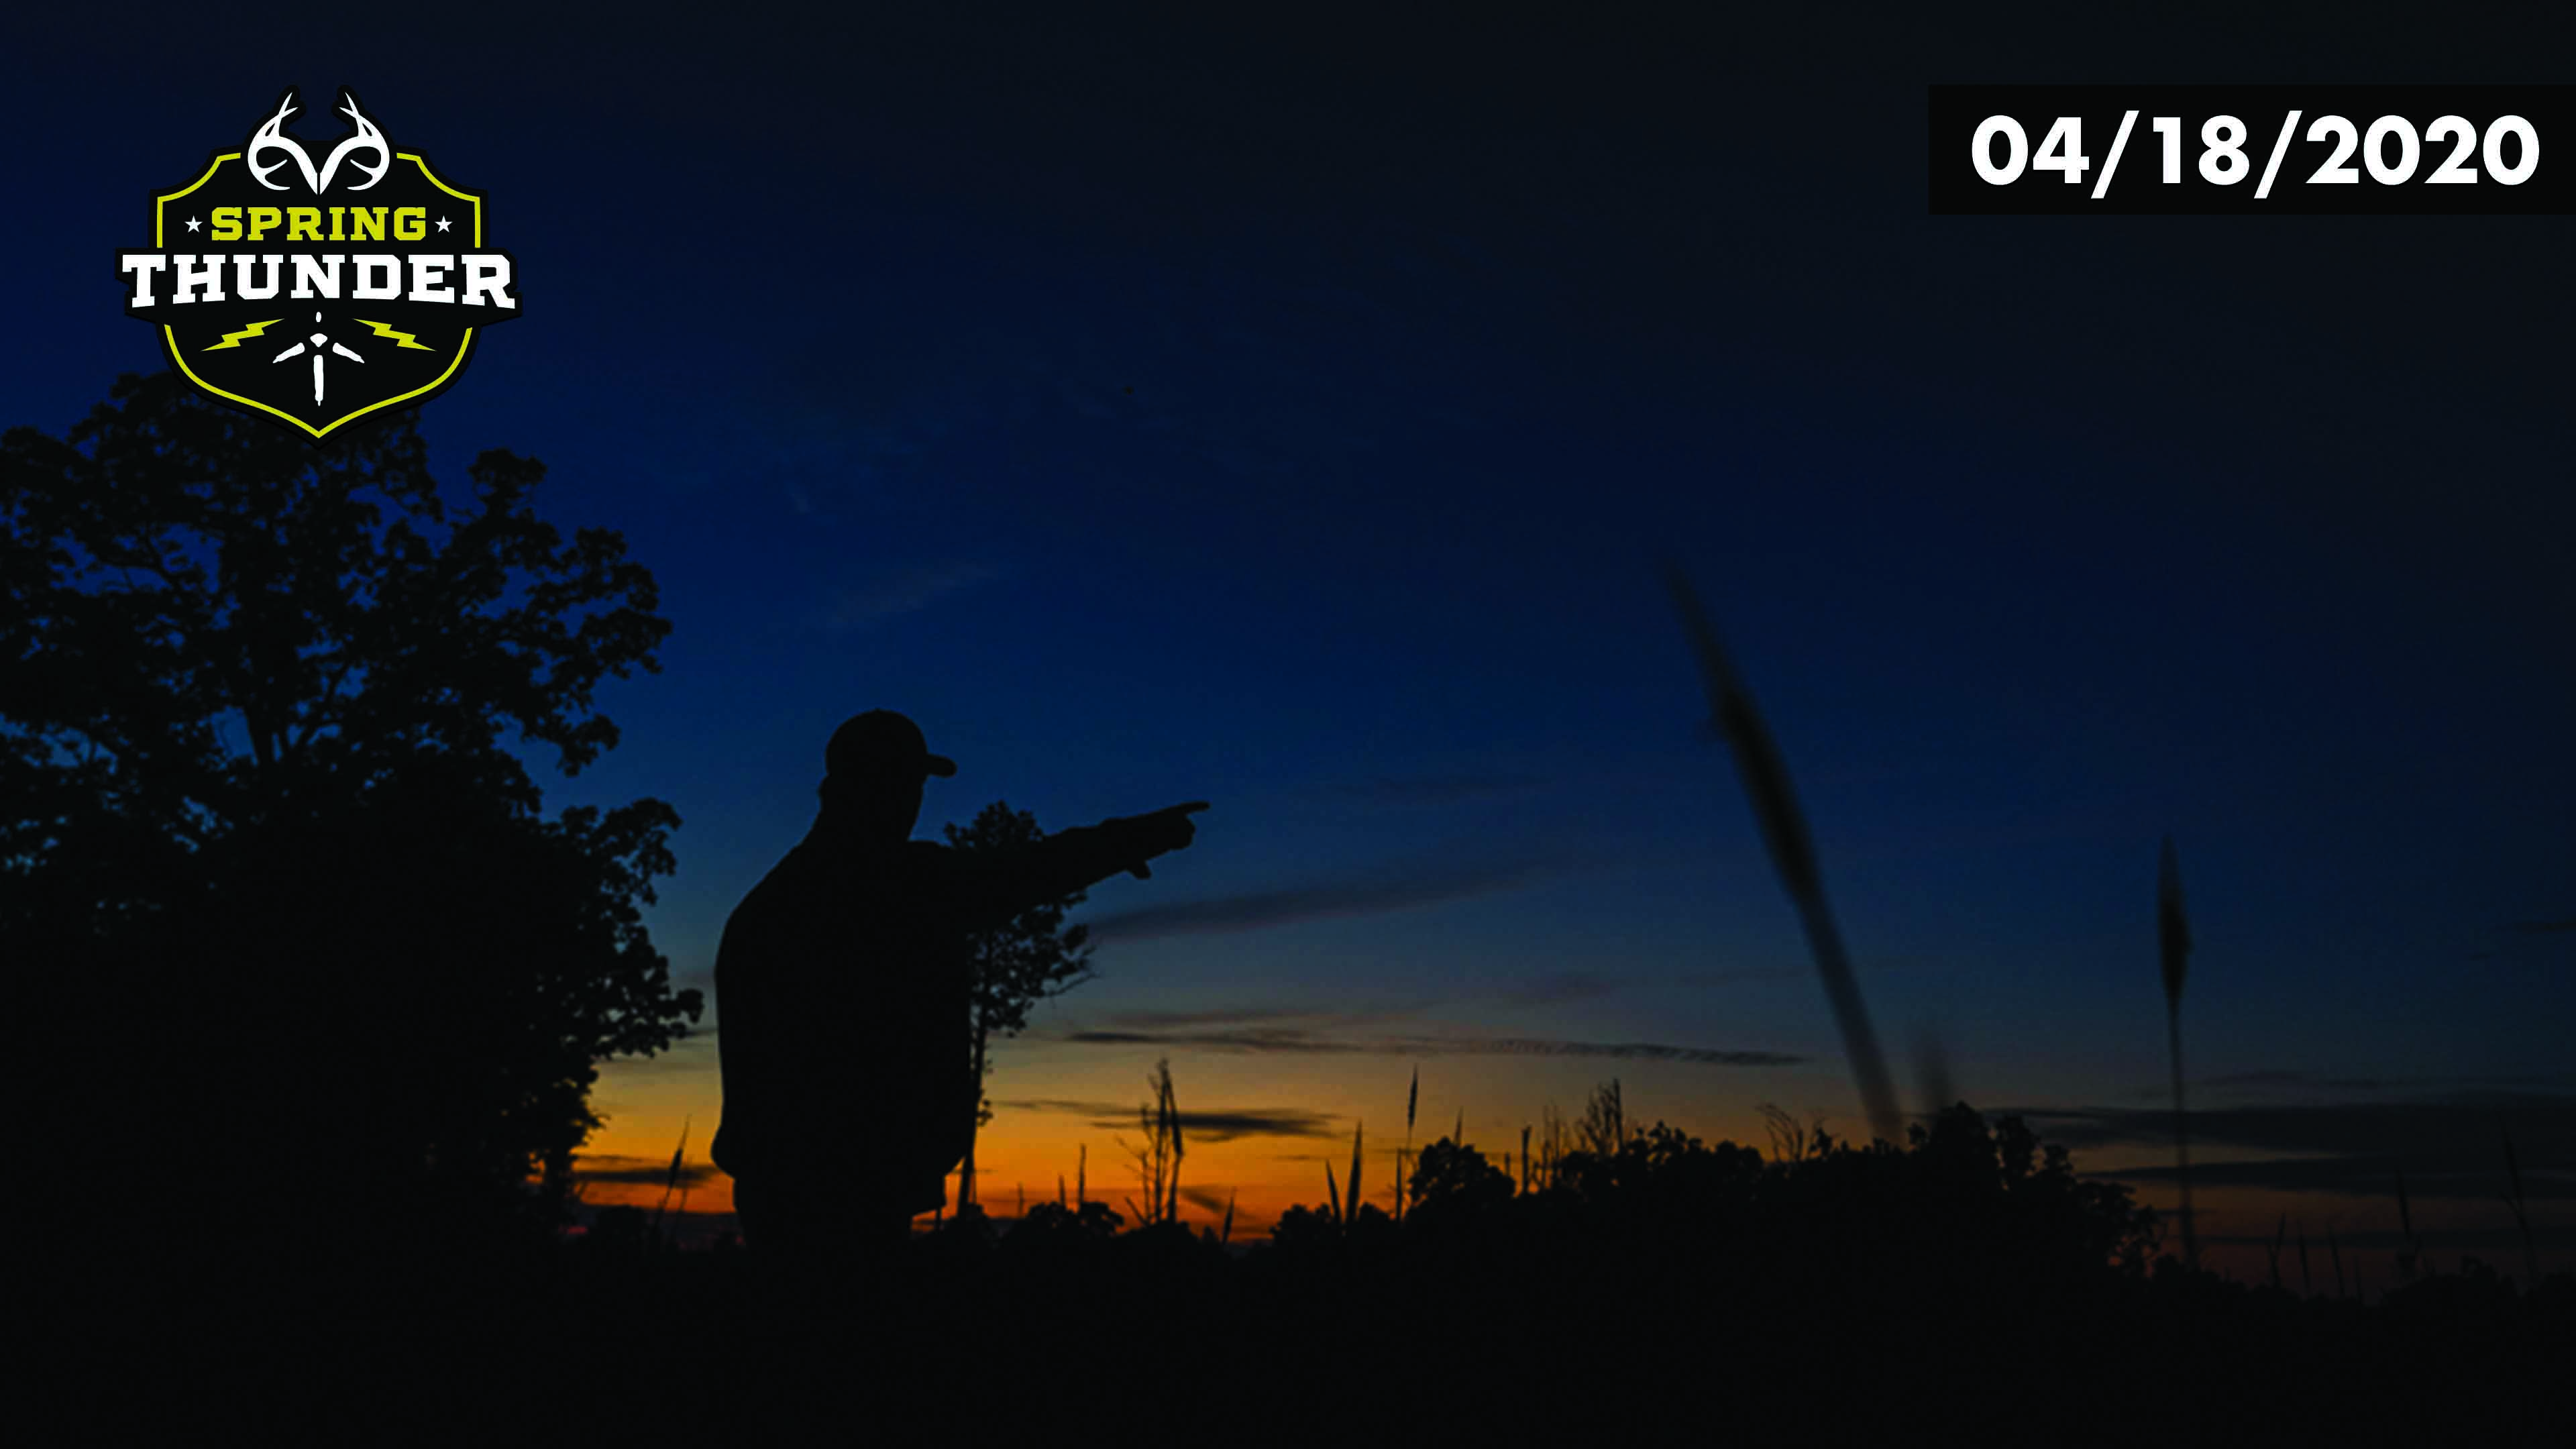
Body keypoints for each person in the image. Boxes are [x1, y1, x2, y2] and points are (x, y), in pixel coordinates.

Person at [711, 709, 1207, 1285]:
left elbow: (1012, 875)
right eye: (907, 784)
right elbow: (1020, 873)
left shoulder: (770, 905)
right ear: (873, 787)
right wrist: (1127, 840)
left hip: (793, 1188)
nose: (914, 801)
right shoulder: (891, 884)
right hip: (844, 1192)